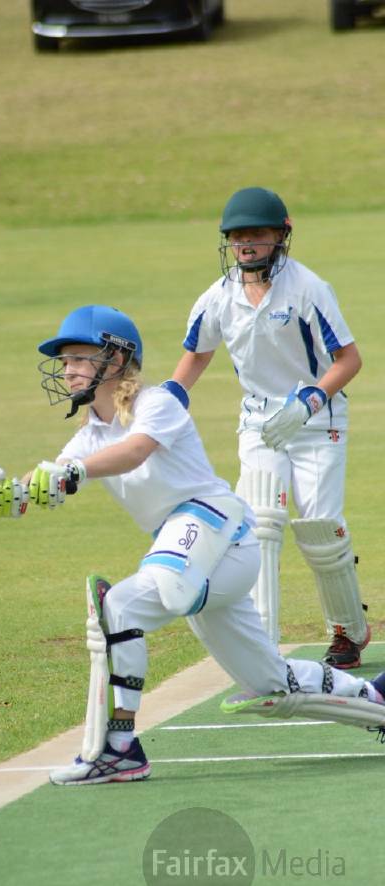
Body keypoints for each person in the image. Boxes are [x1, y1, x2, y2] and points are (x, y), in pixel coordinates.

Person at [0, 303, 385, 785]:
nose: (67, 368)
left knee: (122, 606)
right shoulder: (89, 435)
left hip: (217, 530)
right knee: (269, 683)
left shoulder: (157, 403)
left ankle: (119, 750)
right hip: (189, 555)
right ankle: (377, 699)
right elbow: (54, 474)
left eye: (79, 356)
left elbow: (135, 452)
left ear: (115, 361)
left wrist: (74, 473)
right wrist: (16, 493)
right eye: (65, 359)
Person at [168, 187, 369, 669]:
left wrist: (313, 397)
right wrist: (172, 397)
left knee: (320, 527)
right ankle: (262, 648)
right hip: (259, 421)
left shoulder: (307, 289)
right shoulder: (218, 297)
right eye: (238, 237)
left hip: (317, 420)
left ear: (281, 235)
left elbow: (350, 359)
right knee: (258, 523)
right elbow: (197, 354)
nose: (247, 245)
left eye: (257, 234)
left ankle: (348, 630)